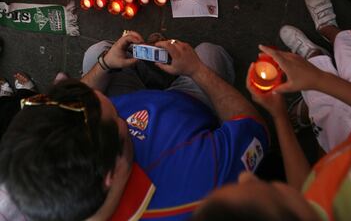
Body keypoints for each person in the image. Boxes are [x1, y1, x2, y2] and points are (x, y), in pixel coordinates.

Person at [0, 33, 269, 221]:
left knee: (98, 53)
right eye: (119, 119)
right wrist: (196, 70)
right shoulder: (196, 184)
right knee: (210, 53)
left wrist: (105, 64)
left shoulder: (54, 195)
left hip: (143, 101)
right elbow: (253, 126)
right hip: (192, 106)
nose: (124, 115)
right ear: (110, 174)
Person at [191, 0, 351, 221]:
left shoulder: (309, 209)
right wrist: (318, 79)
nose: (246, 179)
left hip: (339, 150)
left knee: (323, 107)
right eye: (269, 190)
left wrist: (279, 115)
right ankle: (332, 37)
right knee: (349, 54)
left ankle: (317, 50)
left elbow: (305, 192)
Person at [279, 0, 351, 151]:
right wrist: (318, 78)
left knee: (322, 108)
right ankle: (329, 30)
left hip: (341, 146)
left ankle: (314, 55)